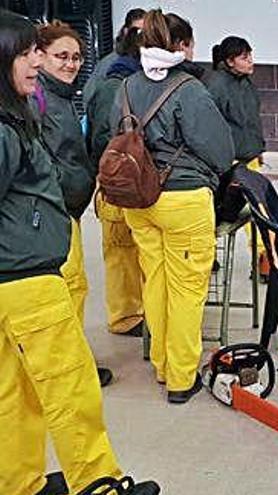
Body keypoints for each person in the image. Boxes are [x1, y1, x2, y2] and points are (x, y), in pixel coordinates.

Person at [0, 12, 158, 495]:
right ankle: (100, 483)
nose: (37, 63)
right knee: (71, 388)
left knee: (16, 394)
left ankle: (18, 482)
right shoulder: (5, 129)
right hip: (25, 278)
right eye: (27, 53)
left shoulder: (15, 115)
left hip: (14, 277)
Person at [110, 9, 234, 404]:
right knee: (185, 290)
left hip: (138, 200)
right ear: (179, 46)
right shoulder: (188, 89)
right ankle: (182, 378)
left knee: (156, 282)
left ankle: (163, 365)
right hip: (182, 199)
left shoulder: (126, 86)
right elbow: (220, 149)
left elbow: (112, 134)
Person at [34, 21, 115, 387]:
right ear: (39, 56)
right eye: (61, 56)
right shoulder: (39, 100)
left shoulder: (61, 97)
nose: (70, 64)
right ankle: (69, 368)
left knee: (74, 287)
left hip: (69, 210)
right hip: (56, 211)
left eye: (76, 57)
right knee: (68, 289)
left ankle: (71, 360)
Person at [87, 18, 146, 339]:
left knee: (130, 249)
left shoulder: (129, 78)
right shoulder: (114, 83)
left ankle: (135, 309)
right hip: (115, 183)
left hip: (129, 182)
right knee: (120, 250)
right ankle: (124, 316)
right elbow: (100, 139)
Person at [206, 35, 268, 278]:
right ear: (230, 61)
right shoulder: (216, 86)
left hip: (248, 156)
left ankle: (264, 258)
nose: (251, 61)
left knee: (259, 210)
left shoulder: (246, 83)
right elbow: (211, 127)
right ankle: (207, 255)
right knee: (217, 210)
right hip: (228, 161)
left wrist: (258, 149)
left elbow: (251, 121)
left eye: (250, 55)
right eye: (245, 57)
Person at [82, 7, 145, 105]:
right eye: (136, 31)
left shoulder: (149, 61)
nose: (141, 36)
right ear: (126, 31)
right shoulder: (110, 62)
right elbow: (88, 95)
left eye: (144, 32)